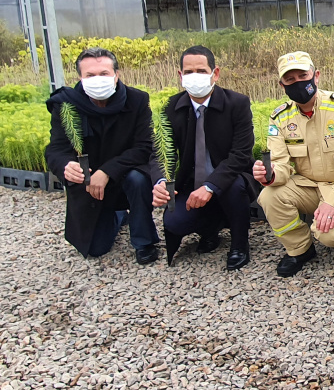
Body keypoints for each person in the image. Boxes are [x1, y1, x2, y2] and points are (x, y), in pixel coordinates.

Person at [254, 51, 334, 277]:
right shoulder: (280, 118)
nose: (297, 82)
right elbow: (281, 165)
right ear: (282, 84)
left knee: (329, 236)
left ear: (316, 76)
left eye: (302, 75)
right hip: (309, 185)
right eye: (290, 79)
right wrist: (269, 175)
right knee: (269, 196)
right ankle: (300, 249)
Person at [45, 47, 159, 264]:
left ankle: (143, 241)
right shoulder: (66, 105)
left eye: (104, 74)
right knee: (96, 248)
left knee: (138, 179)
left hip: (124, 174)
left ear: (116, 75)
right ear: (80, 77)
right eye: (90, 75)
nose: (98, 80)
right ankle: (118, 216)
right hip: (89, 183)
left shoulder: (136, 100)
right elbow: (55, 149)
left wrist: (107, 171)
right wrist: (66, 165)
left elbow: (144, 147)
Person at [151, 46, 256, 270]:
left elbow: (241, 154)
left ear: (215, 73)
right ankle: (209, 230)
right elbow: (160, 152)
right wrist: (161, 181)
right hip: (190, 184)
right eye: (188, 72)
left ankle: (239, 244)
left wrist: (210, 186)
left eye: (201, 70)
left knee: (235, 186)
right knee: (174, 221)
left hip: (228, 179)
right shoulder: (170, 108)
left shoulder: (236, 104)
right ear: (180, 76)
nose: (194, 76)